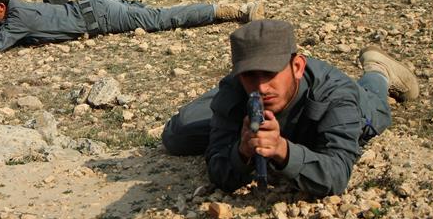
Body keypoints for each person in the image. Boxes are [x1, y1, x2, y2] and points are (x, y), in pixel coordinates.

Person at [161, 19, 419, 196]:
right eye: (250, 75)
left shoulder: (335, 95)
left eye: (270, 73)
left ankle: (378, 70)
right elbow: (219, 171)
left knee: (377, 111)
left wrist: (283, 151)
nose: (261, 87)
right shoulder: (237, 89)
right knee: (177, 136)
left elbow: (337, 174)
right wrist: (241, 152)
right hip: (250, 104)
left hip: (353, 102)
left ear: (297, 67)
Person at [0, 0, 264, 58]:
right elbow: (2, 32)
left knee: (162, 19)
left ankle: (234, 11)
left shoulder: (20, 17)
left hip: (101, 16)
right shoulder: (15, 14)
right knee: (155, 14)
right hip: (95, 6)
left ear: (2, 6)